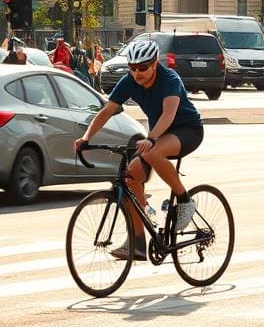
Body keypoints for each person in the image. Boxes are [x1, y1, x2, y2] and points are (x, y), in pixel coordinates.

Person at [74, 40, 204, 261]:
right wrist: (86, 138)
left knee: (152, 152)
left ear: (155, 64)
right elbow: (107, 111)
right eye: (132, 68)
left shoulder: (170, 79)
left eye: (143, 68)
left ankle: (184, 200)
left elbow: (168, 115)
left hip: (187, 130)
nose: (137, 74)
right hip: (158, 136)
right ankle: (138, 244)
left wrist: (151, 138)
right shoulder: (129, 81)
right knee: (129, 179)